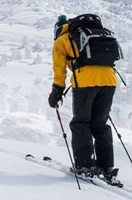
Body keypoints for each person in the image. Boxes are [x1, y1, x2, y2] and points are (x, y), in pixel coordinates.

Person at [48, 14, 119, 182]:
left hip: (86, 83)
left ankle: (85, 166)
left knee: (81, 123)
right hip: (109, 81)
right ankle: (106, 166)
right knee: (100, 124)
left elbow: (59, 70)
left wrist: (56, 91)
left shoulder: (62, 40)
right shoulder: (93, 34)